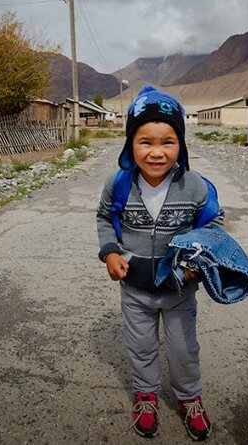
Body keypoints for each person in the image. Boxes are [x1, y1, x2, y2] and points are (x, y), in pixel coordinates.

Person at [96, 85, 223, 440]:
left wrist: (196, 263)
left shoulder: (196, 186)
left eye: (167, 141)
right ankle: (146, 395)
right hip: (134, 290)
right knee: (141, 347)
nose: (156, 152)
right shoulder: (119, 183)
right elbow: (104, 217)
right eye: (145, 142)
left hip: (180, 289)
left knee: (184, 349)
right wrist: (109, 252)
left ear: (180, 144)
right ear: (129, 145)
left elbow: (214, 227)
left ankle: (189, 398)